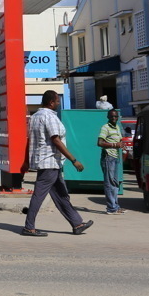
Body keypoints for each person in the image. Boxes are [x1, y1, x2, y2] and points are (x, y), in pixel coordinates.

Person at [22, 90, 94, 237]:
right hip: (49, 162)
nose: (59, 103)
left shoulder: (35, 117)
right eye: (57, 101)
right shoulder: (49, 117)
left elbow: (30, 140)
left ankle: (77, 223)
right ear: (51, 102)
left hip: (50, 163)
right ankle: (29, 227)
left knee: (62, 195)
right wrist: (73, 160)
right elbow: (56, 140)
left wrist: (26, 162)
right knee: (39, 195)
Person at [97, 108, 125, 214]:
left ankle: (115, 206)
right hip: (108, 157)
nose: (114, 118)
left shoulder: (117, 127)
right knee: (109, 183)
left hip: (115, 157)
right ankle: (111, 208)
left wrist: (122, 145)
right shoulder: (105, 128)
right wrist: (114, 145)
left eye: (116, 116)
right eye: (112, 116)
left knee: (115, 183)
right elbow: (100, 142)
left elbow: (119, 140)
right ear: (108, 117)